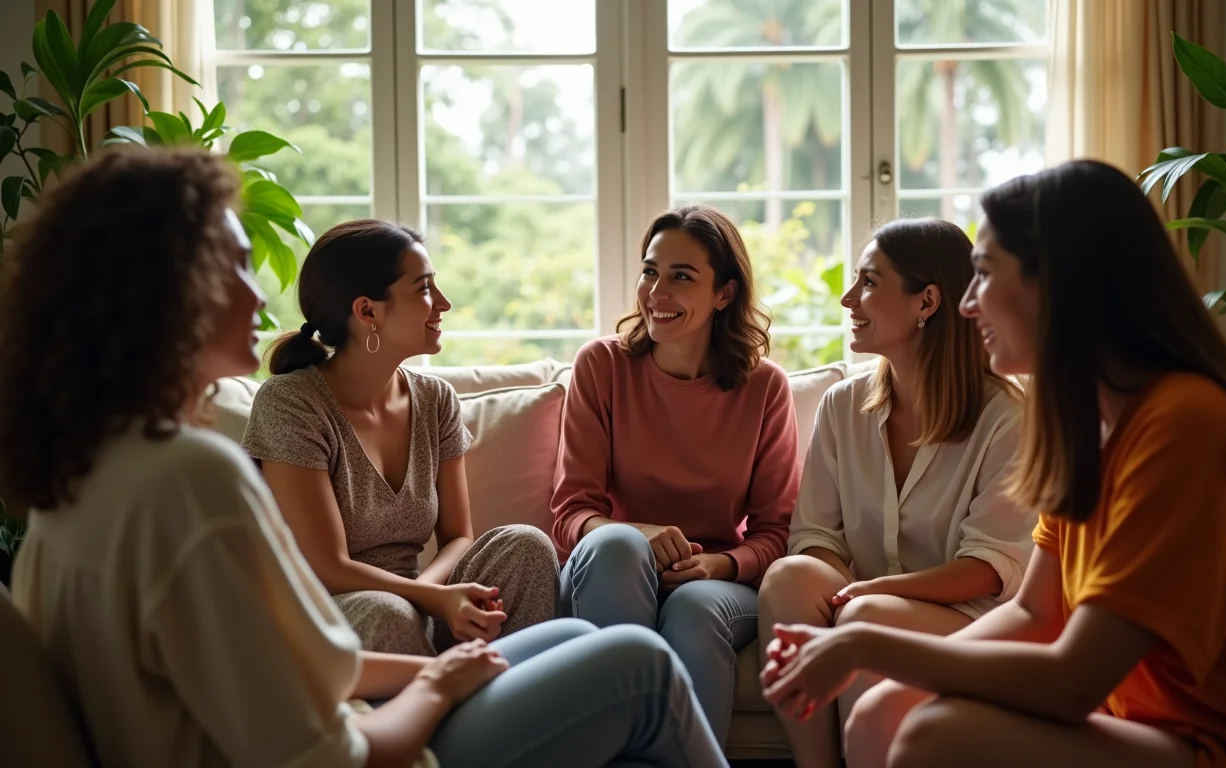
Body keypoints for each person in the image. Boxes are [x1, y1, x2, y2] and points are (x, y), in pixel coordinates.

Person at [0, 147, 730, 768]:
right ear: (166, 293)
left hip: (360, 697)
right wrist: (438, 687)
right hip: (377, 746)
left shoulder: (82, 479)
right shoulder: (192, 478)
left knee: (572, 636)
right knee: (642, 663)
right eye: (240, 267)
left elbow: (299, 665)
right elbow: (330, 754)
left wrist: (443, 664)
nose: (261, 295)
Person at [761, 160, 1226, 768]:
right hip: (1131, 724)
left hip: (1218, 745)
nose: (969, 305)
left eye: (982, 276)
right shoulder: (1083, 424)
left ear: (1055, 285)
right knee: (885, 710)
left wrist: (865, 644)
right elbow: (1035, 613)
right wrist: (881, 664)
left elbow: (1074, 678)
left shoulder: (1185, 423)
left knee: (936, 734)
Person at [754, 218, 1036, 766]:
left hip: (966, 614)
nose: (846, 297)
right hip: (865, 597)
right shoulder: (842, 406)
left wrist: (870, 594)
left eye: (868, 282)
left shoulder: (1004, 416)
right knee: (790, 577)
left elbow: (989, 566)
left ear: (926, 301)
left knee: (870, 616)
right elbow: (815, 535)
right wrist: (844, 590)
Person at [241, 220, 559, 656]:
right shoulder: (291, 404)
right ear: (368, 311)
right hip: (339, 615)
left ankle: (506, 696)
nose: (443, 303)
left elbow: (459, 537)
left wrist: (431, 596)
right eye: (425, 289)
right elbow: (326, 567)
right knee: (387, 612)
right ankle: (455, 707)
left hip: (420, 598)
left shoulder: (435, 399)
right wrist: (428, 601)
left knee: (525, 544)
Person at [552, 203, 800, 746]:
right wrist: (640, 534)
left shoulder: (765, 389)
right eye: (649, 272)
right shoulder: (601, 366)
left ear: (724, 294)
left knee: (694, 607)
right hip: (612, 571)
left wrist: (722, 563)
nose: (656, 293)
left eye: (681, 277)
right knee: (618, 547)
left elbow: (778, 533)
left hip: (713, 581)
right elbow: (572, 516)